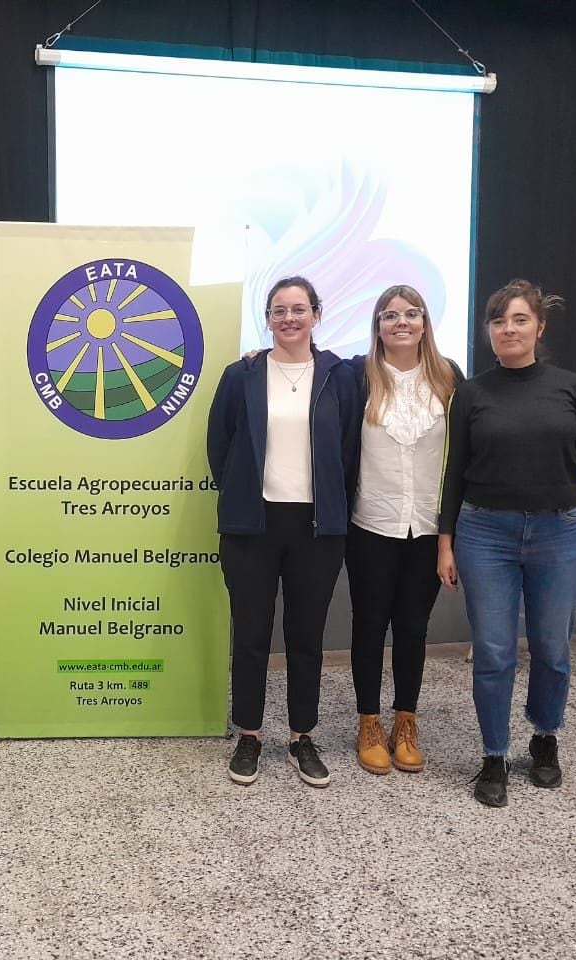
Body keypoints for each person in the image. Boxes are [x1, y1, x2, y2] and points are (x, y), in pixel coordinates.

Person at [437, 278, 576, 808]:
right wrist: (446, 542)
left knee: (553, 648)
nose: (508, 329)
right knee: (493, 650)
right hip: (485, 534)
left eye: (519, 320)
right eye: (498, 321)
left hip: (560, 532)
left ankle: (545, 737)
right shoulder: (471, 394)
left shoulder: (574, 387)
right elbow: (453, 472)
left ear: (539, 326)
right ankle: (494, 754)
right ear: (488, 330)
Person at [207, 276, 360, 788]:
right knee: (250, 635)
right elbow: (221, 448)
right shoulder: (242, 374)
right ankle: (249, 734)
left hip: (317, 529)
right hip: (253, 525)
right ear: (267, 318)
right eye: (278, 310)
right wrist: (242, 495)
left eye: (299, 309)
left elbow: (350, 451)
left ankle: (301, 736)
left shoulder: (341, 377)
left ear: (317, 314)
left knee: (306, 637)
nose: (289, 318)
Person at [345, 286, 462, 775]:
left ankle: (405, 722)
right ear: (377, 326)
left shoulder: (449, 378)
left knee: (413, 628)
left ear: (424, 322)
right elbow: (303, 363)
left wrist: (450, 537)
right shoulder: (357, 376)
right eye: (390, 315)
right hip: (371, 523)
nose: (401, 322)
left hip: (428, 528)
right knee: (370, 625)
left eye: (410, 314)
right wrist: (258, 355)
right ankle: (369, 721)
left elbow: (461, 459)